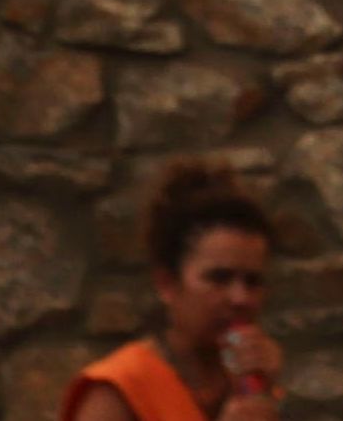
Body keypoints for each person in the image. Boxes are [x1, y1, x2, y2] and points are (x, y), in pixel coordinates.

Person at [63, 165, 283, 421]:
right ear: (167, 284)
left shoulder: (250, 387)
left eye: (253, 282)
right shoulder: (119, 389)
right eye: (219, 279)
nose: (240, 298)